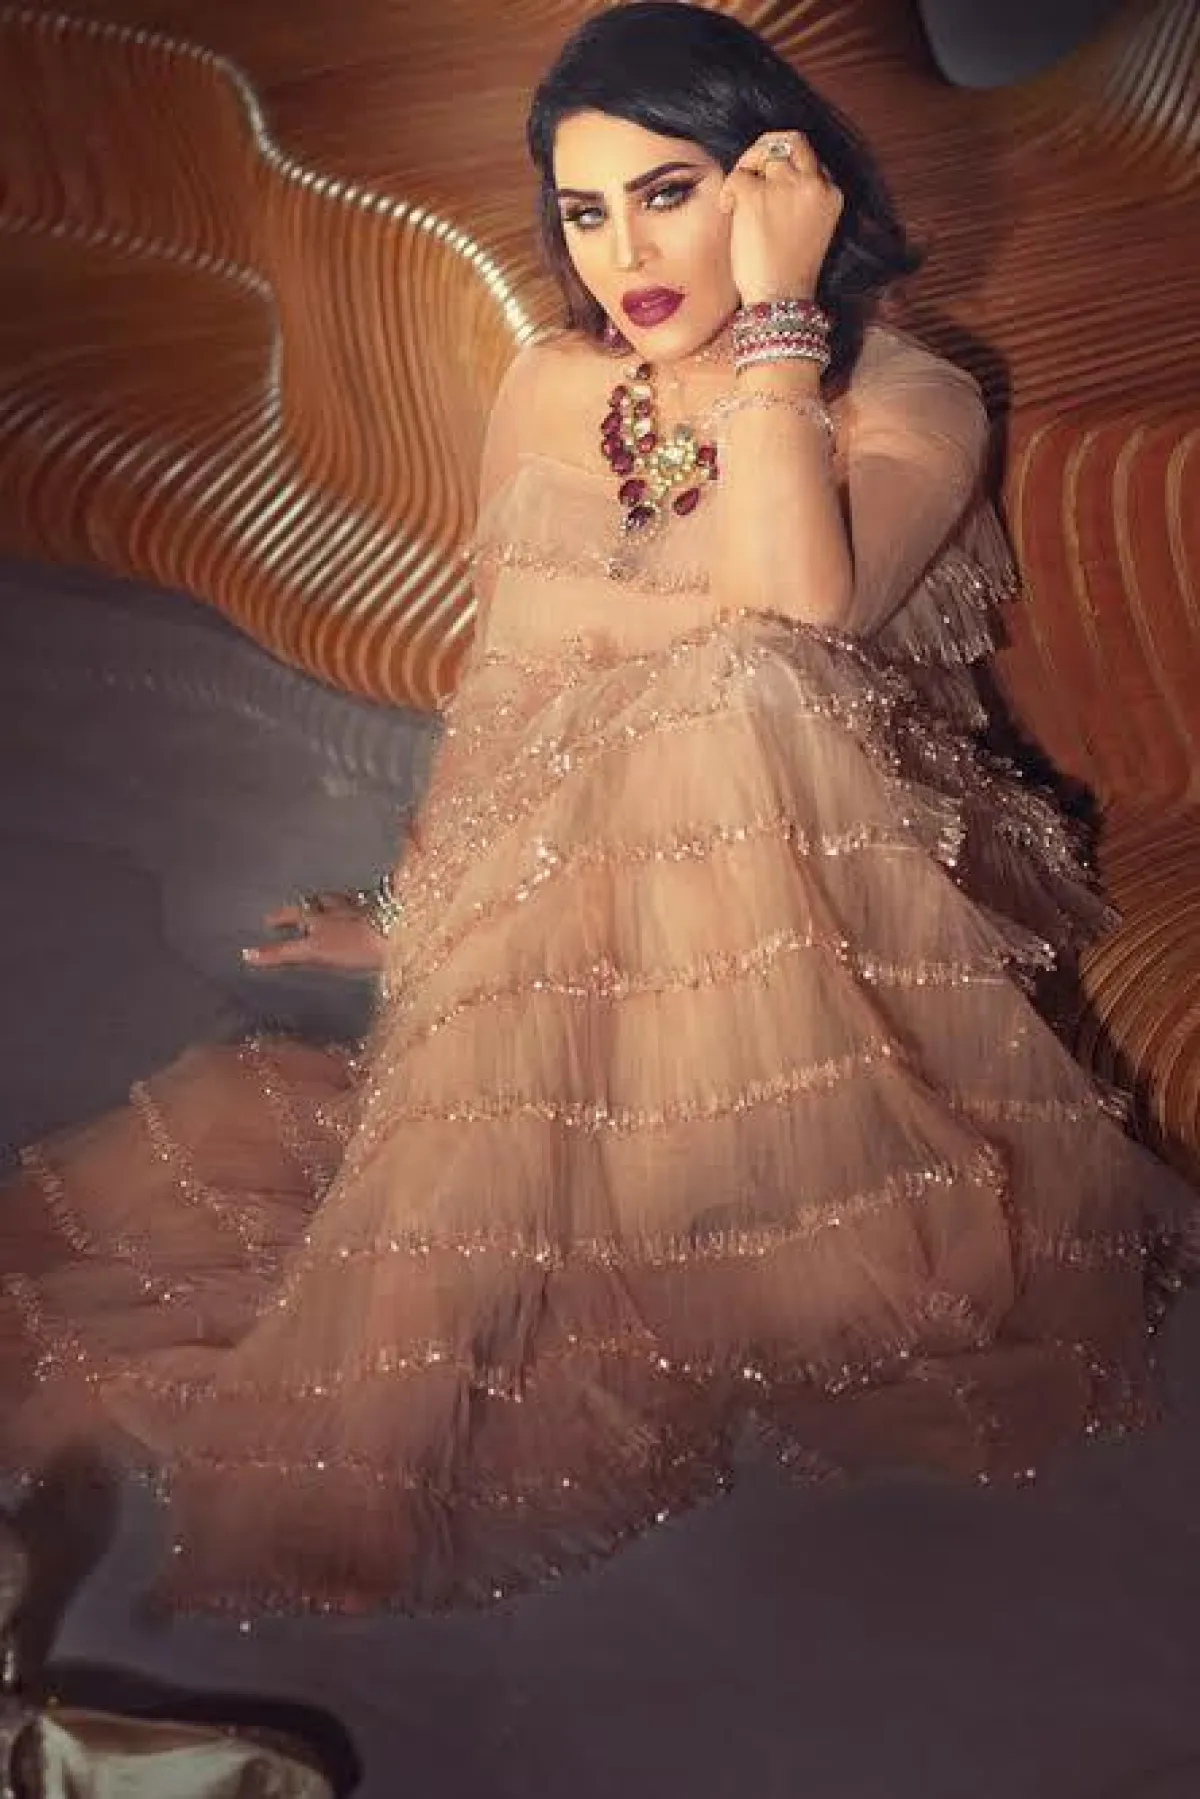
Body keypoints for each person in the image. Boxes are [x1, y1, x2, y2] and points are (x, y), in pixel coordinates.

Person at [1, 1, 1195, 1618]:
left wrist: (778, 322)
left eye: (667, 192)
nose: (621, 251)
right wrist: (426, 919)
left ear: (777, 186)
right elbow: (508, 688)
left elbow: (797, 610)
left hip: (837, 912)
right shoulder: (561, 385)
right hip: (598, 909)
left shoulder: (909, 396)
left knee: (743, 684)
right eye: (583, 209)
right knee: (445, 1223)